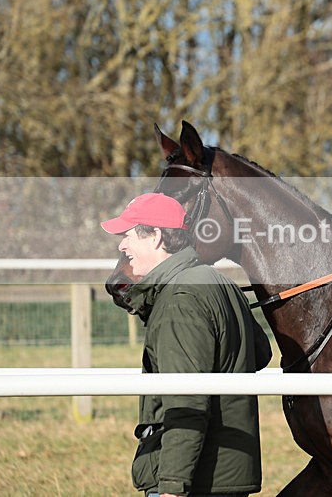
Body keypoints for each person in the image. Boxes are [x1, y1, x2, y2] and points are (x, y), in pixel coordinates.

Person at [101, 192, 272, 497]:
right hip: (227, 474)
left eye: (127, 235)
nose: (121, 246)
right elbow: (259, 353)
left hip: (199, 481)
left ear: (155, 236)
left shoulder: (179, 301)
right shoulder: (218, 281)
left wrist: (171, 486)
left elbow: (186, 404)